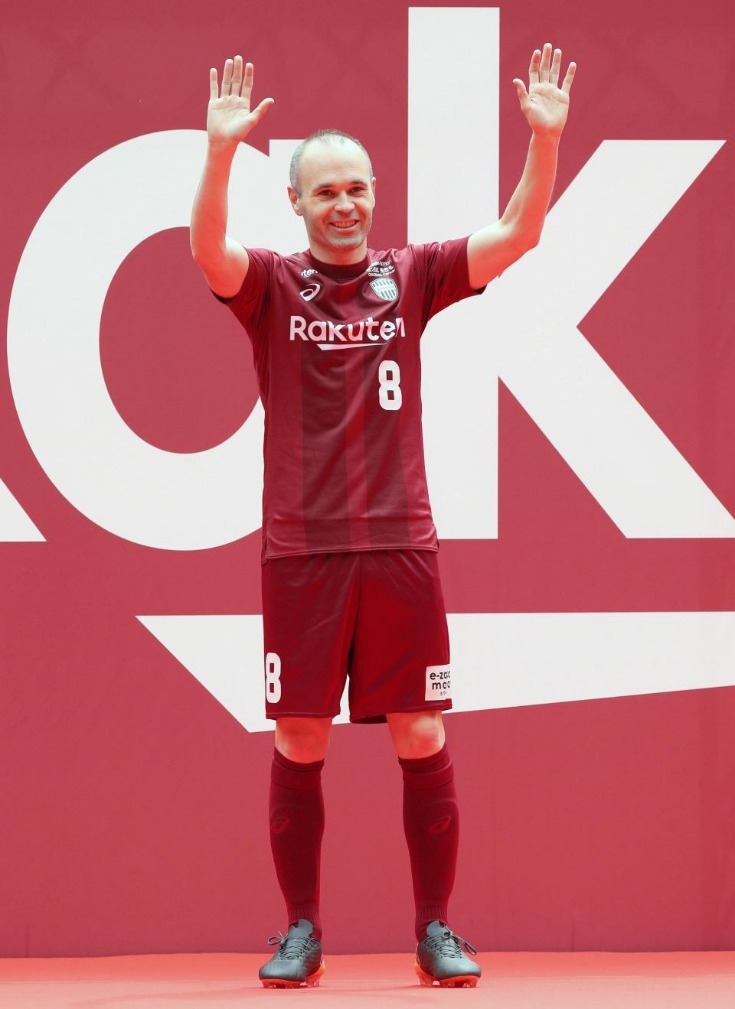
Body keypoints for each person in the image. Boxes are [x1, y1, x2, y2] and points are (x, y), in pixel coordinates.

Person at [191, 44, 575, 989]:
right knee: (299, 739)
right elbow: (207, 252)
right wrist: (218, 152)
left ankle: (435, 927)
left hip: (401, 545)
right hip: (302, 550)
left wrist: (545, 138)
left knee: (421, 734)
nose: (345, 204)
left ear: (374, 194)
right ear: (295, 202)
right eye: (325, 191)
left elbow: (519, 233)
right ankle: (301, 930)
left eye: (357, 188)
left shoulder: (413, 274)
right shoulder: (271, 285)